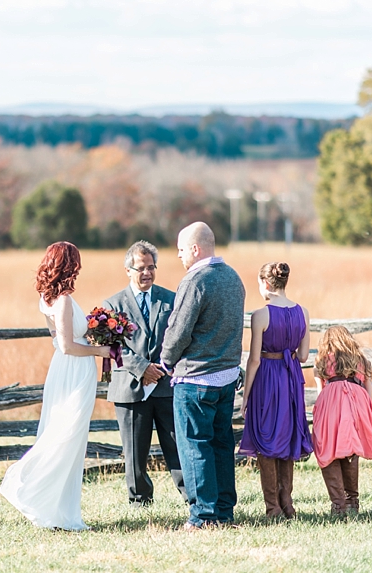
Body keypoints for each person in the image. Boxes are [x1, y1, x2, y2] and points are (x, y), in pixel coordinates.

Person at [0, 241, 111, 531]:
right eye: (76, 262)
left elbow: (57, 337)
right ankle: (27, 486)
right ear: (69, 265)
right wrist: (100, 352)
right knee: (66, 435)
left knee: (70, 437)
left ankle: (60, 511)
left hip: (64, 370)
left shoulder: (45, 298)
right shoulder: (61, 300)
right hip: (73, 369)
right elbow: (67, 345)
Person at [160, 222, 246, 530]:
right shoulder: (233, 278)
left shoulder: (196, 280)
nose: (180, 256)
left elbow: (179, 328)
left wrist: (166, 360)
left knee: (195, 445)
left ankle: (203, 516)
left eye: (182, 250)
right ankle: (224, 511)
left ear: (196, 249)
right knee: (222, 445)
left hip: (195, 378)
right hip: (226, 376)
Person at [103, 240, 187, 507]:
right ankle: (139, 500)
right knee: (134, 452)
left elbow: (180, 337)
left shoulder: (171, 299)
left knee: (177, 447)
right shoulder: (112, 304)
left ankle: (192, 497)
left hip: (165, 385)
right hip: (130, 387)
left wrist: (160, 368)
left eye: (151, 267)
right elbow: (111, 347)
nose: (147, 273)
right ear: (128, 269)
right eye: (141, 268)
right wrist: (142, 369)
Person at [238, 262, 312, 519]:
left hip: (267, 379)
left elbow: (254, 359)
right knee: (287, 436)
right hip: (291, 379)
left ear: (266, 284)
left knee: (265, 436)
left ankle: (272, 508)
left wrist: (246, 396)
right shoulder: (303, 312)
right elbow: (303, 356)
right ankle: (287, 504)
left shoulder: (260, 315)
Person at [312, 326, 372, 516]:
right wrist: (369, 415)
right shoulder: (361, 361)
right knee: (351, 449)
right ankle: (352, 501)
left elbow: (320, 392)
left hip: (331, 404)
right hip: (357, 404)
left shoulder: (321, 360)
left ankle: (338, 505)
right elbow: (369, 393)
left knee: (328, 449)